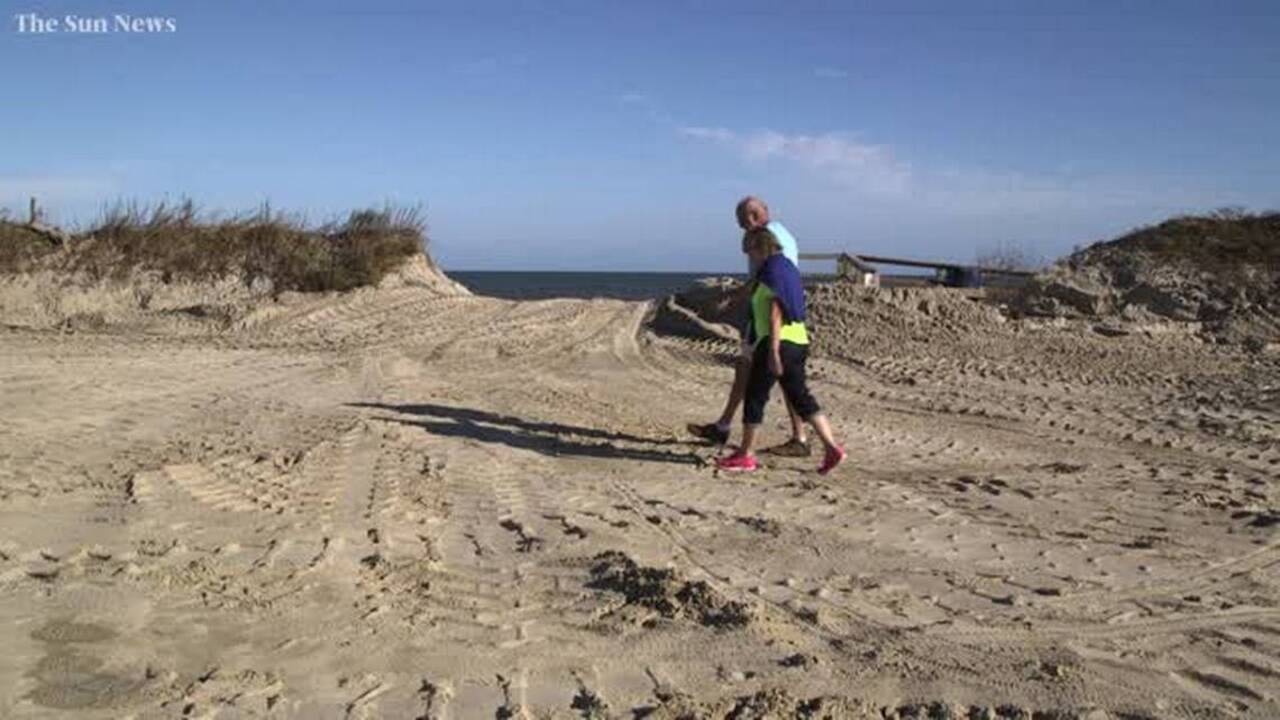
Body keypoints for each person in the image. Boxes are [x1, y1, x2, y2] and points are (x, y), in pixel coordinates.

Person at [686, 197, 811, 456]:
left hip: (768, 320)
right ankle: (723, 425)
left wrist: (734, 298)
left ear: (753, 217)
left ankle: (798, 437)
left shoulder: (769, 239)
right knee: (749, 370)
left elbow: (772, 280)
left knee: (782, 379)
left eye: (743, 223)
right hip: (763, 316)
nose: (743, 230)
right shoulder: (779, 234)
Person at [716, 226, 845, 474]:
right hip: (798, 340)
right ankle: (832, 448)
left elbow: (776, 311)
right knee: (801, 397)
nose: (750, 258)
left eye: (750, 252)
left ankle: (746, 454)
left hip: (778, 342)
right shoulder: (787, 269)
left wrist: (773, 350)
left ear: (760, 247)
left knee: (755, 397)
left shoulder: (773, 271)